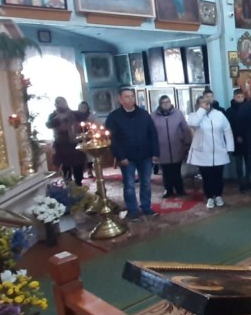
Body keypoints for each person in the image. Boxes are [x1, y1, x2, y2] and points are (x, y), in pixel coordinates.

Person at [105, 88, 160, 221]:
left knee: (146, 183)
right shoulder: (114, 117)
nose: (130, 99)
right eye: (127, 97)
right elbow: (112, 139)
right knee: (129, 185)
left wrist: (155, 152)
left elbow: (152, 134)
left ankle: (146, 207)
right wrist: (120, 156)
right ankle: (133, 210)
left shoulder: (143, 114)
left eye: (132, 96)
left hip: (145, 154)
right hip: (127, 157)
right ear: (120, 99)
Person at [187, 96, 234, 208]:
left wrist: (229, 147)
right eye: (203, 103)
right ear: (198, 105)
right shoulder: (194, 116)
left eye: (207, 102)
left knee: (218, 176)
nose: (206, 104)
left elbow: (227, 130)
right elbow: (194, 124)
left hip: (219, 151)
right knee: (207, 177)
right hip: (203, 153)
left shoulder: (219, 114)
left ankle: (218, 195)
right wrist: (201, 111)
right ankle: (209, 197)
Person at [153, 95, 191, 198]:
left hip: (177, 147)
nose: (166, 104)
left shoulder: (178, 114)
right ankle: (168, 189)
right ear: (160, 104)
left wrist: (187, 143)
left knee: (177, 170)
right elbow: (151, 133)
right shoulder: (154, 116)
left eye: (168, 102)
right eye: (164, 102)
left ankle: (179, 189)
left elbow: (185, 129)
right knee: (166, 171)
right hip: (162, 149)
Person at [46, 97, 87, 186]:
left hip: (75, 143)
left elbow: (84, 117)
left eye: (63, 102)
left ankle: (78, 183)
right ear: (56, 105)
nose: (62, 104)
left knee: (78, 165)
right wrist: (58, 118)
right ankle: (68, 184)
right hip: (62, 144)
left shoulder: (74, 114)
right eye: (59, 103)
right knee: (65, 166)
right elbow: (48, 125)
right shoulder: (53, 116)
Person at [225, 88, 251, 191]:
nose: (240, 99)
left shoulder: (249, 108)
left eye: (241, 97)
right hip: (236, 141)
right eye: (238, 97)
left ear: (244, 97)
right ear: (234, 97)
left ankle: (248, 181)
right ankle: (241, 183)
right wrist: (237, 136)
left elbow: (250, 124)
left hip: (248, 140)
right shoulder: (229, 111)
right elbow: (229, 127)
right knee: (239, 164)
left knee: (249, 164)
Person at [74, 102, 97, 178]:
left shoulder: (90, 115)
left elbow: (93, 124)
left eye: (85, 107)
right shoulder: (75, 115)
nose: (83, 108)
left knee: (89, 156)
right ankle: (80, 173)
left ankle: (90, 171)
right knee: (79, 156)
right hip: (78, 137)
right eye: (81, 107)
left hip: (88, 136)